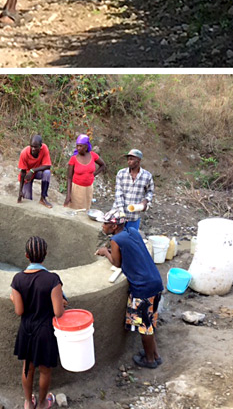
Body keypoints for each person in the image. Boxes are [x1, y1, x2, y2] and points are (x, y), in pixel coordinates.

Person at [96, 210, 164, 369]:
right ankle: (155, 355)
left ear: (113, 226)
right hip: (155, 281)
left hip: (143, 288)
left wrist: (105, 251)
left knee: (144, 327)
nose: (103, 226)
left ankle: (149, 360)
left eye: (105, 223)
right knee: (150, 322)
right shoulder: (132, 231)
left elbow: (117, 263)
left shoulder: (116, 240)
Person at [10, 236, 65, 409]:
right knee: (45, 369)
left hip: (27, 329)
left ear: (27, 256)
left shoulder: (17, 279)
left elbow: (19, 311)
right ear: (45, 255)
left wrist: (13, 298)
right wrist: (61, 303)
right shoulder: (52, 279)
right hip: (45, 330)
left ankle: (28, 402)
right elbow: (58, 312)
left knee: (28, 367)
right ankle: (41, 403)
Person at [113, 149, 154, 230]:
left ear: (138, 160)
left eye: (131, 159)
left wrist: (145, 201)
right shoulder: (121, 173)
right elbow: (118, 193)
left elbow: (150, 192)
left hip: (134, 215)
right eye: (128, 159)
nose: (129, 161)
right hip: (119, 213)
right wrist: (121, 211)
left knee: (131, 238)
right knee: (118, 238)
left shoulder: (147, 176)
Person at [64, 135, 105, 210]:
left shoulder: (93, 155)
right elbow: (69, 178)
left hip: (88, 189)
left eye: (81, 146)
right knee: (75, 211)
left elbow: (102, 165)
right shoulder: (73, 159)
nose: (78, 148)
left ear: (86, 147)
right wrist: (68, 195)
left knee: (86, 211)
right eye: (77, 146)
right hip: (76, 190)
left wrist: (93, 175)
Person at [18, 134, 53, 208]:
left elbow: (48, 166)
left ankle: (43, 198)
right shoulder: (24, 153)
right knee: (27, 201)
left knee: (47, 173)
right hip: (27, 176)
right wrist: (20, 191)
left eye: (35, 147)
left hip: (37, 172)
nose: (33, 149)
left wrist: (33, 170)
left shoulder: (44, 149)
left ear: (41, 146)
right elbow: (23, 172)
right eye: (32, 146)